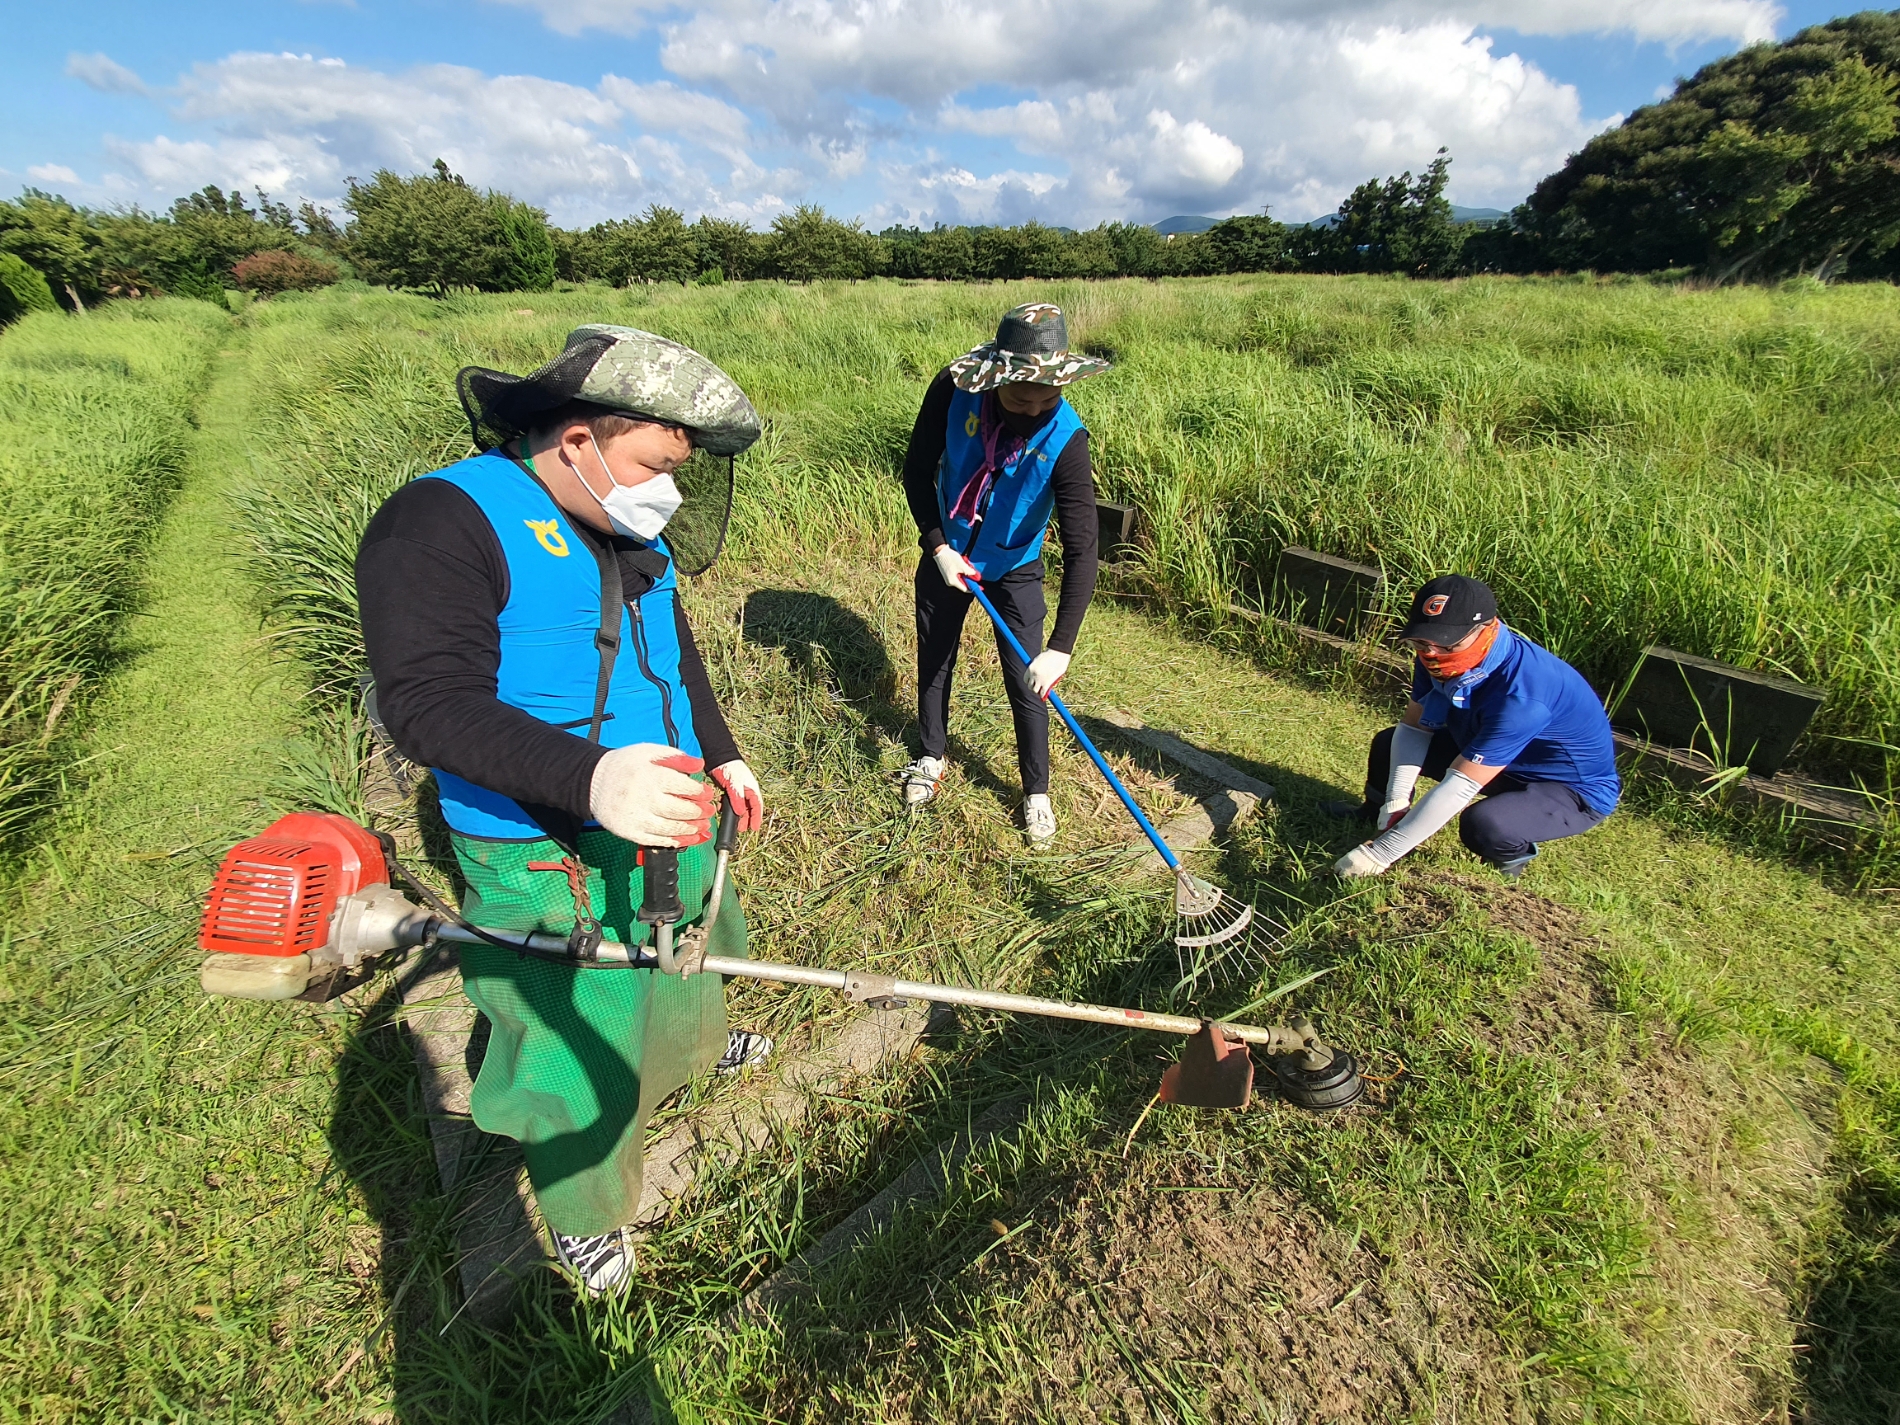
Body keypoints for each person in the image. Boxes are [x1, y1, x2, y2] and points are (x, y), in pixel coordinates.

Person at [355, 325, 771, 1296]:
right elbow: (425, 701)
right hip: (543, 846)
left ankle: (696, 1051)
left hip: (669, 807)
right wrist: (589, 780)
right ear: (577, 438)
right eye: (653, 465)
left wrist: (724, 752)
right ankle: (586, 1214)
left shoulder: (628, 525)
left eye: (677, 473)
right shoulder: (442, 520)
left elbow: (675, 651)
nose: (666, 490)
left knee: (689, 958)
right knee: (570, 1038)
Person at [899, 302, 1111, 843]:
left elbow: (1083, 549)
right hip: (949, 553)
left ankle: (1036, 792)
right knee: (936, 655)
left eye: (1049, 397)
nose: (1034, 409)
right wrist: (938, 546)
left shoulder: (1066, 440)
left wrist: (1060, 647)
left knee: (1028, 683)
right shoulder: (953, 391)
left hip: (1015, 564)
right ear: (995, 381)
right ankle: (930, 756)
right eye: (1020, 397)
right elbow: (918, 470)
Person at [1331, 574, 1620, 880]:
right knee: (1389, 744)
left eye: (1448, 644)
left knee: (1485, 825)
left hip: (1568, 789)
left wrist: (1380, 855)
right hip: (1490, 752)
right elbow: (1415, 727)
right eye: (1421, 642)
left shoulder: (1524, 694)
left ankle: (1508, 865)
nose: (1432, 654)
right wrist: (1396, 798)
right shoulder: (1436, 653)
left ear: (1486, 630)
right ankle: (1375, 815)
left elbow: (1460, 785)